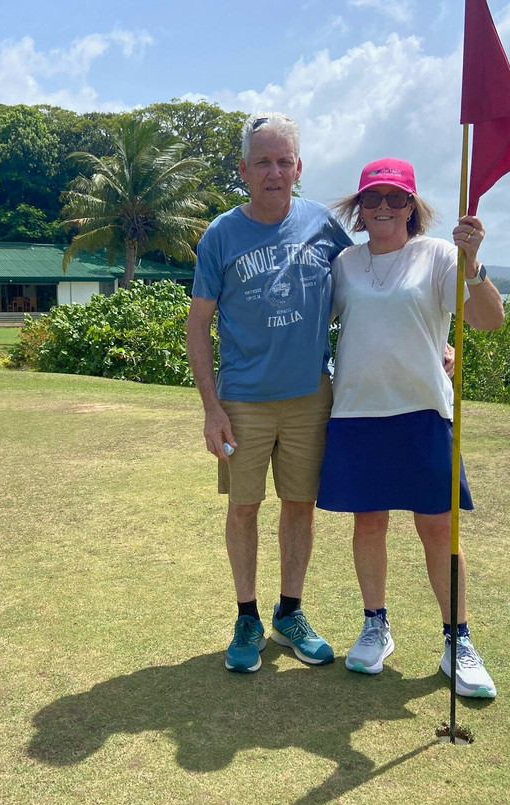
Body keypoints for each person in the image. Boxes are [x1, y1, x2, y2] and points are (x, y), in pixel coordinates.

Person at [316, 157, 505, 698]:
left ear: (411, 206)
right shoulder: (344, 264)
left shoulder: (441, 255)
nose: (383, 207)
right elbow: (315, 323)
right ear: (359, 207)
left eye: (395, 198)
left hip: (424, 412)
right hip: (357, 412)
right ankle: (375, 625)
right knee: (369, 523)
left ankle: (457, 641)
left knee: (439, 530)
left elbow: (488, 320)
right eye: (372, 198)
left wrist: (473, 265)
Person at [186, 112, 353, 673]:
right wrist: (211, 409)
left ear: (299, 166)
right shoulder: (221, 234)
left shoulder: (323, 224)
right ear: (244, 170)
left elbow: (371, 284)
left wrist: (432, 336)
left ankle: (290, 612)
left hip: (311, 395)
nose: (274, 172)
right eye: (263, 162)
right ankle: (246, 617)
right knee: (243, 507)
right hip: (242, 401)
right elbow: (198, 325)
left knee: (300, 505)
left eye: (284, 161)